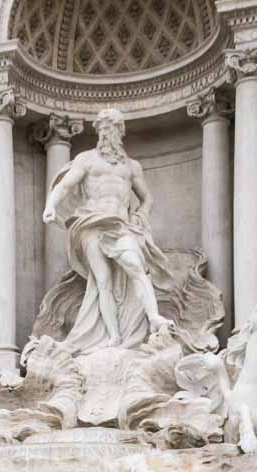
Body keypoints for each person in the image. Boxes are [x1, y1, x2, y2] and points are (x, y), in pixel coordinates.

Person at [42, 108, 174, 353]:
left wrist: (140, 215)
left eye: (110, 127)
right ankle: (113, 337)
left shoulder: (132, 167)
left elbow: (147, 198)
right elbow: (66, 185)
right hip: (91, 223)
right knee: (103, 281)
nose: (105, 132)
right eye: (102, 128)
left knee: (136, 266)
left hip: (121, 226)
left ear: (120, 131)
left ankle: (154, 317)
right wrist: (51, 205)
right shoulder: (86, 159)